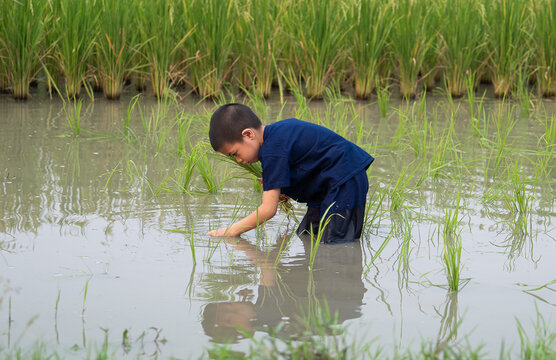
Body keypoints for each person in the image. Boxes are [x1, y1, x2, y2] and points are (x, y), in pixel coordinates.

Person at [207, 103, 374, 243]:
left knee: (336, 243)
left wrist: (231, 231)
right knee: (307, 235)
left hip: (345, 179)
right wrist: (279, 184)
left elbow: (268, 210)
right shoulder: (276, 138)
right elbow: (306, 164)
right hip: (329, 184)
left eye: (235, 153)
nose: (239, 160)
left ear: (249, 134)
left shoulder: (272, 150)